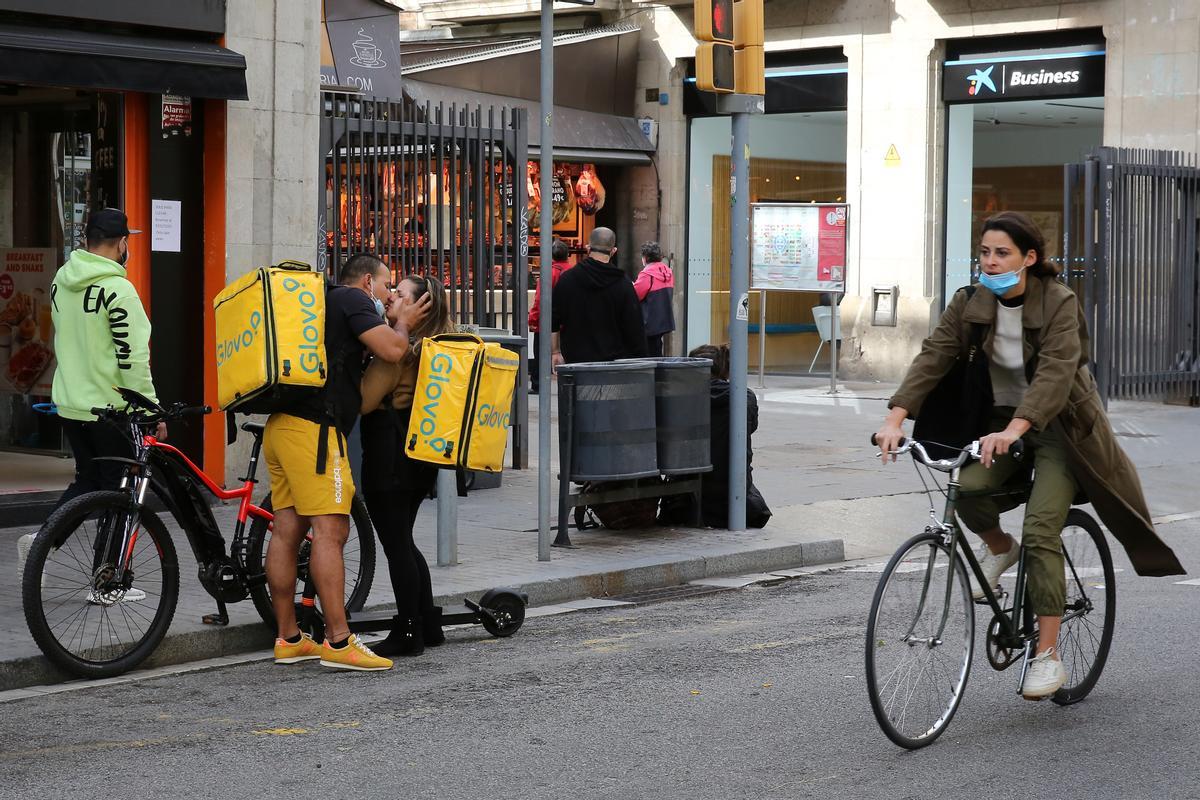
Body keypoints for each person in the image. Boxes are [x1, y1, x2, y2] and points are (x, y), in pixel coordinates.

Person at [875, 211, 1183, 700]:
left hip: (1059, 429)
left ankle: (1047, 654)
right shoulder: (969, 302)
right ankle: (1000, 548)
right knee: (969, 490)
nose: (991, 261)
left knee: (1042, 529)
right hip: (998, 426)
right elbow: (933, 355)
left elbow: (1057, 373)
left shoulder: (1059, 303)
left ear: (1029, 258)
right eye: (985, 252)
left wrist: (1018, 427)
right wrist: (895, 417)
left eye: (1002, 253)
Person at [266, 253, 430, 672]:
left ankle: (288, 638)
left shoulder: (322, 302)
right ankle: (339, 641)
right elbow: (393, 350)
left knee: (287, 529)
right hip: (316, 433)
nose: (390, 293)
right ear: (366, 282)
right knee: (332, 530)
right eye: (386, 284)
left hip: (282, 426)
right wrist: (405, 321)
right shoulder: (353, 300)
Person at [358, 274, 457, 656]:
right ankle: (428, 623)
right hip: (417, 458)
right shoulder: (432, 345)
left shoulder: (399, 350)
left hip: (389, 460)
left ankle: (408, 632)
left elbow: (366, 400)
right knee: (406, 541)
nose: (390, 299)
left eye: (399, 296)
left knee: (396, 545)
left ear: (420, 308)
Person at [550, 227, 646, 365]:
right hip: (613, 364)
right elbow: (635, 328)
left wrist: (555, 352)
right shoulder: (624, 284)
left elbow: (554, 320)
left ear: (588, 248)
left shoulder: (567, 279)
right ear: (613, 251)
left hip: (576, 362)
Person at [527, 239, 572, 392]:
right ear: (568, 255)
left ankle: (538, 384)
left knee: (540, 353)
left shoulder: (548, 273)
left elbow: (539, 299)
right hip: (567, 322)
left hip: (546, 321)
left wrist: (533, 318)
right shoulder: (573, 272)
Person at [632, 242, 675, 357]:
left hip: (649, 321)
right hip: (663, 319)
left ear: (645, 258)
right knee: (656, 349)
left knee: (648, 353)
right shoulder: (668, 272)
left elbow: (635, 295)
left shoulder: (647, 274)